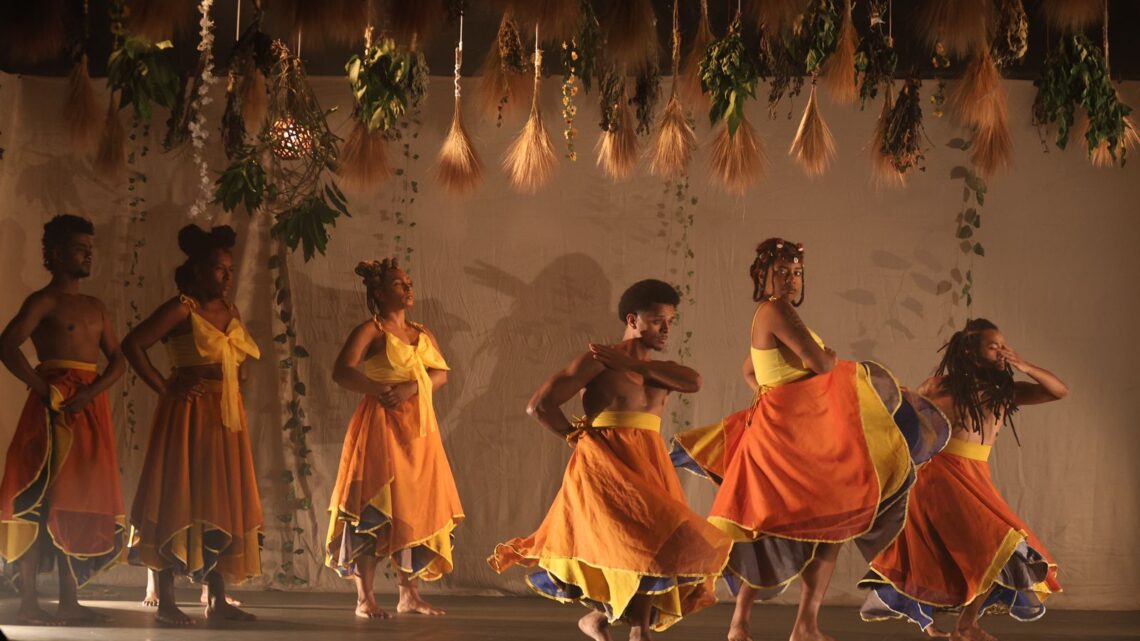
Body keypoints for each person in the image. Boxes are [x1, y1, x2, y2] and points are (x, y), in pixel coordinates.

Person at [675, 238, 943, 641]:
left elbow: (752, 369)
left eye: (797, 273)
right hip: (784, 440)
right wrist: (825, 362)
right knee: (772, 526)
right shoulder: (774, 310)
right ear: (762, 277)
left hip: (794, 435)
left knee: (826, 525)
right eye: (781, 272)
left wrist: (778, 389)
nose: (791, 280)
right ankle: (763, 624)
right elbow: (820, 363)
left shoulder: (768, 317)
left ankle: (792, 625)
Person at [489, 279, 732, 641]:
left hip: (649, 465)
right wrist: (578, 439)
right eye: (657, 320)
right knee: (622, 542)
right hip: (606, 466)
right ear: (633, 319)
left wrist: (635, 365)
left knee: (659, 541)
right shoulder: (598, 360)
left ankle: (608, 623)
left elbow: (694, 381)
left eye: (670, 321)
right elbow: (540, 405)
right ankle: (635, 629)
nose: (666, 329)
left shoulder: (664, 370)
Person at [860, 318, 1066, 640]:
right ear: (971, 352)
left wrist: (1023, 364)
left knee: (1001, 548)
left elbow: (1058, 391)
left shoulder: (1003, 392)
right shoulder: (939, 385)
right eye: (993, 346)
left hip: (975, 478)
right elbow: (905, 419)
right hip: (939, 479)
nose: (1002, 351)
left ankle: (964, 626)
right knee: (989, 543)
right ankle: (948, 626)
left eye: (1003, 345)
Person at [123, 224, 261, 625]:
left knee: (221, 499)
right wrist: (166, 386)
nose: (227, 276)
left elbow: (238, 353)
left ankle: (217, 600)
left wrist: (238, 376)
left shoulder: (230, 311)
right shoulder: (182, 307)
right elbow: (134, 344)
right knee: (177, 493)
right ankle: (166, 600)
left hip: (226, 417)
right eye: (219, 269)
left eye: (230, 270)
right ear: (198, 270)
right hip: (189, 414)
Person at [0, 215, 127, 624]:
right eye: (79, 247)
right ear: (55, 254)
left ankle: (69, 601)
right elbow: (7, 345)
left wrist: (91, 392)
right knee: (38, 499)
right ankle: (30, 601)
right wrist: (42, 387)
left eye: (90, 247)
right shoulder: (44, 301)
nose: (88, 253)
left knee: (79, 498)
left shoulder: (95, 306)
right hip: (52, 411)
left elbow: (119, 359)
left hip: (88, 411)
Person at [325, 258, 464, 619]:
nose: (408, 288)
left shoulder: (422, 332)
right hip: (382, 424)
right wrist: (382, 389)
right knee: (375, 504)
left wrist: (409, 389)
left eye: (409, 282)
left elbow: (441, 375)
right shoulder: (370, 331)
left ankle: (408, 593)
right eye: (401, 284)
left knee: (412, 506)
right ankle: (365, 596)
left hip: (419, 430)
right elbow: (341, 371)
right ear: (380, 292)